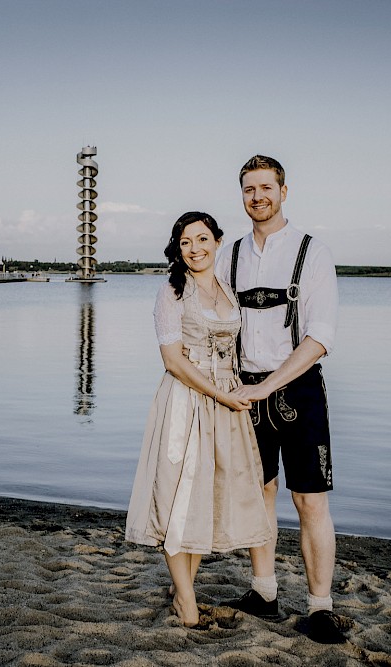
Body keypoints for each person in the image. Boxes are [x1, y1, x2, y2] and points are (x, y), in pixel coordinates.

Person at [215, 155, 345, 644]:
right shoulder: (230, 255)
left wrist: (266, 387)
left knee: (310, 501)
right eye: (249, 189)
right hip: (244, 391)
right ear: (242, 195)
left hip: (299, 389)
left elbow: (320, 338)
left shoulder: (313, 252)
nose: (257, 197)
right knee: (259, 495)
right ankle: (264, 593)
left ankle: (320, 606)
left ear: (284, 191)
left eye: (265, 187)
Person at [125, 211, 271, 628]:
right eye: (186, 242)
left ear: (218, 241)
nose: (195, 249)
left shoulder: (228, 289)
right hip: (187, 401)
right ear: (178, 247)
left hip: (225, 403)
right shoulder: (171, 292)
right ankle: (187, 603)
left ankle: (181, 589)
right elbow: (172, 361)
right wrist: (219, 393)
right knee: (178, 498)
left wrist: (241, 391)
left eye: (203, 239)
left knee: (205, 496)